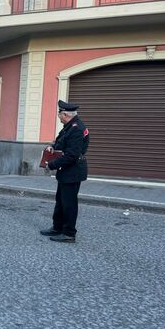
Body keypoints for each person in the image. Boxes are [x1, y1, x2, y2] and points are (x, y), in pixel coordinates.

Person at [41, 100, 90, 243]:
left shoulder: (76, 129)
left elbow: (71, 155)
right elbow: (61, 142)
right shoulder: (69, 126)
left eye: (59, 114)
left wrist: (52, 164)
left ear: (66, 114)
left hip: (73, 171)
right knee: (61, 201)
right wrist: (52, 146)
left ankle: (69, 233)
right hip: (66, 171)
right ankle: (57, 227)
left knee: (69, 204)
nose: (58, 116)